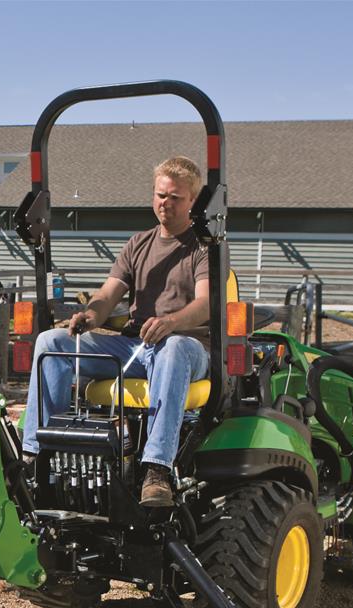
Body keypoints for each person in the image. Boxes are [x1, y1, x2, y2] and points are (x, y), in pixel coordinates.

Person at [21, 156, 215, 507]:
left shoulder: (204, 249)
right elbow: (109, 294)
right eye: (160, 195)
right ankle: (36, 456)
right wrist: (91, 316)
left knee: (172, 348)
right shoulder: (138, 244)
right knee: (51, 341)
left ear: (193, 201)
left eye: (175, 197)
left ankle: (156, 470)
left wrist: (171, 322)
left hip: (187, 349)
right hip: (136, 347)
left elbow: (205, 305)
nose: (164, 203)